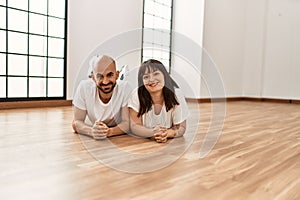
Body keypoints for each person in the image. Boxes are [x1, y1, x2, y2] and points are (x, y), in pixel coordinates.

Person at [128, 59, 190, 143]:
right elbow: (134, 126)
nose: (151, 79)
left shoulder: (176, 94)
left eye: (156, 73)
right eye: (146, 77)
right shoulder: (136, 94)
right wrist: (153, 133)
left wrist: (167, 134)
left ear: (165, 75)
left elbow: (181, 127)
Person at [72, 55, 131, 140]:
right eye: (100, 76)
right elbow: (76, 122)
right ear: (93, 78)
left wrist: (109, 132)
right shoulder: (84, 87)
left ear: (117, 75)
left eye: (110, 75)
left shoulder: (125, 88)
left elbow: (127, 123)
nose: (105, 81)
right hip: (91, 126)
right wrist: (91, 131)